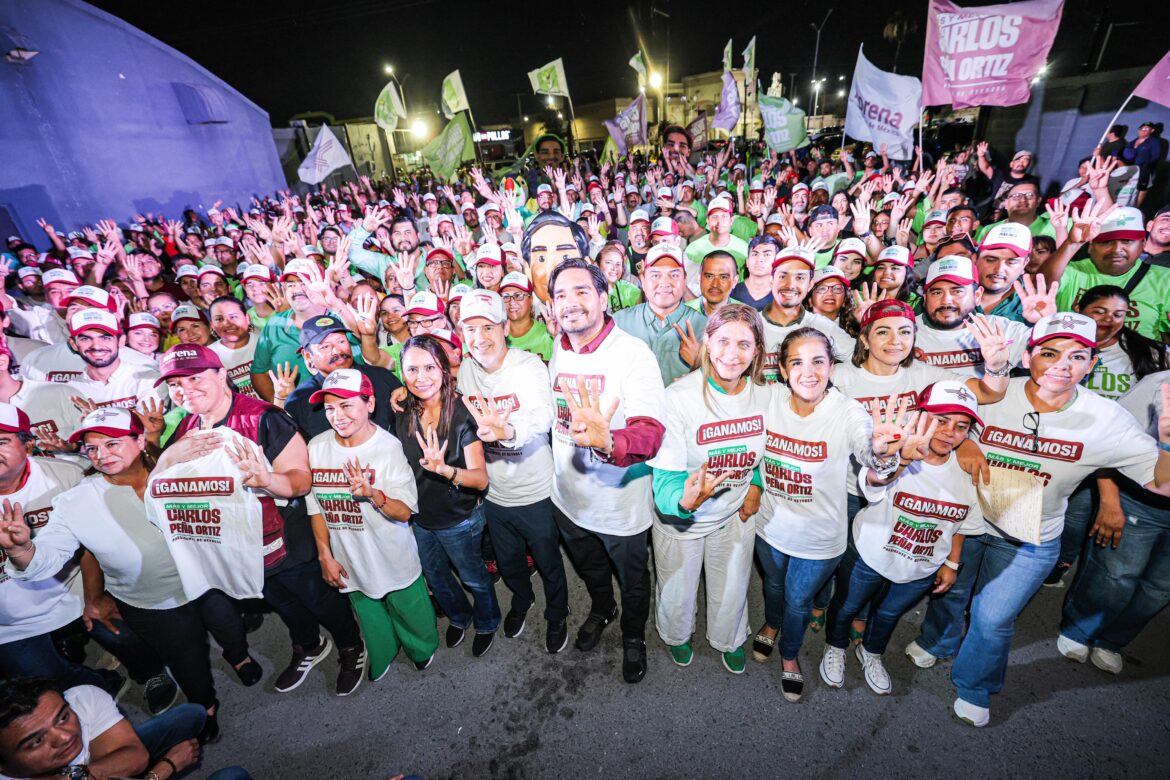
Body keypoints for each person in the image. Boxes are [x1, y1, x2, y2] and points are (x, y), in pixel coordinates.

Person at [920, 313, 1170, 727]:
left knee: (993, 616)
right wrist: (963, 443)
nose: (1061, 364)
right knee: (950, 592)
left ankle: (975, 684)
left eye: (1078, 356)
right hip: (968, 522)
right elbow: (937, 413)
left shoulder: (1107, 420)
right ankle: (937, 640)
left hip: (1031, 539)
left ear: (1092, 364)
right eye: (1050, 352)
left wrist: (1165, 443)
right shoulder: (995, 392)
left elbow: (1161, 485)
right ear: (1030, 355)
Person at [156, 344, 366, 696]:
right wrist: (169, 456)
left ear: (222, 374)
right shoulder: (187, 429)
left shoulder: (263, 417)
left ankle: (350, 645)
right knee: (280, 602)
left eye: (194, 378)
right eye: (175, 384)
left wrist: (267, 480)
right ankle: (310, 645)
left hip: (286, 539)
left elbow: (301, 480)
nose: (184, 390)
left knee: (317, 598)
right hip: (240, 548)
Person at [1, 408, 220, 739]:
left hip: (211, 582)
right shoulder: (76, 500)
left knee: (230, 630)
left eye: (112, 443)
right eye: (92, 448)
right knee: (187, 656)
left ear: (138, 439)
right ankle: (205, 706)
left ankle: (239, 656)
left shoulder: (175, 473)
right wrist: (21, 552)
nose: (101, 454)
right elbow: (50, 556)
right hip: (152, 600)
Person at [750, 328, 904, 702]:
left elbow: (869, 450)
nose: (809, 372)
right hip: (769, 526)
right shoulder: (769, 400)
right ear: (783, 371)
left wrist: (882, 454)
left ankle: (790, 655)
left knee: (799, 599)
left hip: (819, 538)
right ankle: (772, 622)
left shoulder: (848, 411)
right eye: (797, 362)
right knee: (773, 587)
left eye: (818, 361)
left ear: (831, 368)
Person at [819, 381, 984, 695]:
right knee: (846, 605)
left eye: (961, 426)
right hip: (870, 551)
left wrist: (952, 563)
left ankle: (871, 652)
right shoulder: (897, 452)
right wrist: (902, 460)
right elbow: (874, 480)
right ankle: (835, 647)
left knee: (889, 613)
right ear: (920, 416)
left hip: (921, 565)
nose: (950, 432)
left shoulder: (968, 469)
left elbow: (962, 523)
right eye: (941, 420)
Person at [547, 259, 666, 683]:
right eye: (560, 295)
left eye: (581, 291)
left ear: (602, 297)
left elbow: (650, 434)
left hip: (620, 506)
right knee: (591, 568)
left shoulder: (633, 354)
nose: (570, 303)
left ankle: (634, 637)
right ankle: (602, 608)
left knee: (633, 581)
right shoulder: (559, 347)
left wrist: (608, 441)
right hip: (567, 498)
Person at [649, 304, 768, 674]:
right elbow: (665, 479)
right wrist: (683, 503)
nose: (732, 354)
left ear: (757, 351)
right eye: (723, 341)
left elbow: (768, 450)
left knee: (733, 586)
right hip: (683, 519)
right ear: (706, 343)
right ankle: (676, 636)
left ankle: (728, 639)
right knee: (677, 590)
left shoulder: (764, 396)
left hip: (734, 513)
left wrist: (757, 485)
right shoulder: (678, 397)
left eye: (745, 344)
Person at [305, 369, 439, 680]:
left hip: (391, 553)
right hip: (349, 557)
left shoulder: (387, 448)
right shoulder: (317, 447)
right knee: (369, 612)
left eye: (346, 405)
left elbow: (405, 512)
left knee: (409, 608)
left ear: (369, 404)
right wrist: (325, 555)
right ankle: (384, 651)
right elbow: (316, 507)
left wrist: (373, 494)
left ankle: (421, 649)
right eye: (329, 408)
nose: (337, 416)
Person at [456, 291, 569, 653]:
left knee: (549, 561)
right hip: (493, 493)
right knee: (508, 561)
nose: (480, 337)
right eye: (470, 329)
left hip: (535, 490)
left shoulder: (528, 366)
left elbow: (542, 415)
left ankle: (557, 613)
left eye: (488, 327)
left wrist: (507, 431)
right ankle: (522, 599)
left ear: (505, 327)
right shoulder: (466, 372)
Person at [1054, 371, 1170, 673]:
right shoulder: (1158, 385)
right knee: (1115, 575)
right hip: (1142, 502)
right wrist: (1108, 499)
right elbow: (1109, 440)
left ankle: (1111, 640)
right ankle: (1079, 629)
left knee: (1160, 588)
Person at [394, 335, 497, 657]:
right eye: (411, 369)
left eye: (429, 367)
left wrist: (445, 470)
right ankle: (459, 617)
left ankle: (488, 620)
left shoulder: (463, 412)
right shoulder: (402, 408)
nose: (420, 377)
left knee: (474, 578)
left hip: (459, 518)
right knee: (437, 578)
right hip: (419, 517)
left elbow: (480, 480)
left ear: (444, 368)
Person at [0, 677, 226, 780]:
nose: (66, 736)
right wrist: (165, 768)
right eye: (37, 741)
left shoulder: (81, 698)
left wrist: (74, 776)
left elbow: (135, 758)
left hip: (98, 764)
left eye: (62, 717)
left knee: (190, 715)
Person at [1045, 206, 1170, 341]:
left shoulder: (1165, 279)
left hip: (1139, 360)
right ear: (1091, 246)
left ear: (1143, 244)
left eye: (1127, 241)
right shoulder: (1072, 271)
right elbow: (1042, 283)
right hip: (1074, 357)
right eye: (1106, 242)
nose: (1116, 249)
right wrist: (1071, 244)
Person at [283, 314, 400, 439]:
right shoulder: (299, 400)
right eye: (325, 346)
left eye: (341, 341)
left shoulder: (381, 377)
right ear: (307, 356)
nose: (337, 351)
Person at [612, 245, 707, 387]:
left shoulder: (704, 327)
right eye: (655, 275)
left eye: (674, 275)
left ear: (685, 280)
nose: (664, 283)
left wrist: (699, 365)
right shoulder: (619, 322)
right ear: (643, 281)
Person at [759, 243, 855, 381]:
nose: (790, 284)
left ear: (810, 285)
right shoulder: (750, 324)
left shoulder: (823, 326)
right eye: (783, 276)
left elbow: (863, 360)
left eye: (800, 277)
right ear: (771, 280)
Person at [207, 296, 259, 398]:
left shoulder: (264, 342)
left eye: (233, 316)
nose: (227, 324)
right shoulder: (208, 356)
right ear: (212, 325)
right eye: (219, 319)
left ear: (247, 319)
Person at [684, 196, 748, 276]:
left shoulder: (744, 248)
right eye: (715, 217)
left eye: (724, 216)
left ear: (731, 220)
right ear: (708, 222)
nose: (719, 222)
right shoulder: (693, 250)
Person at [499, 272, 553, 361]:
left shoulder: (548, 335)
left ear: (530, 299)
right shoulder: (497, 336)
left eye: (518, 296)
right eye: (506, 297)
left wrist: (557, 336)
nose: (512, 302)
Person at [730, 235, 777, 311]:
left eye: (767, 254)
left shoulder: (781, 296)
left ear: (776, 261)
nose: (760, 259)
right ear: (747, 262)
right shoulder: (731, 292)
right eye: (755, 254)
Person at [685, 250, 737, 316]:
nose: (715, 284)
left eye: (723, 277)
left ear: (735, 281)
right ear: (699, 278)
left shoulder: (746, 315)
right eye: (709, 276)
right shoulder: (682, 314)